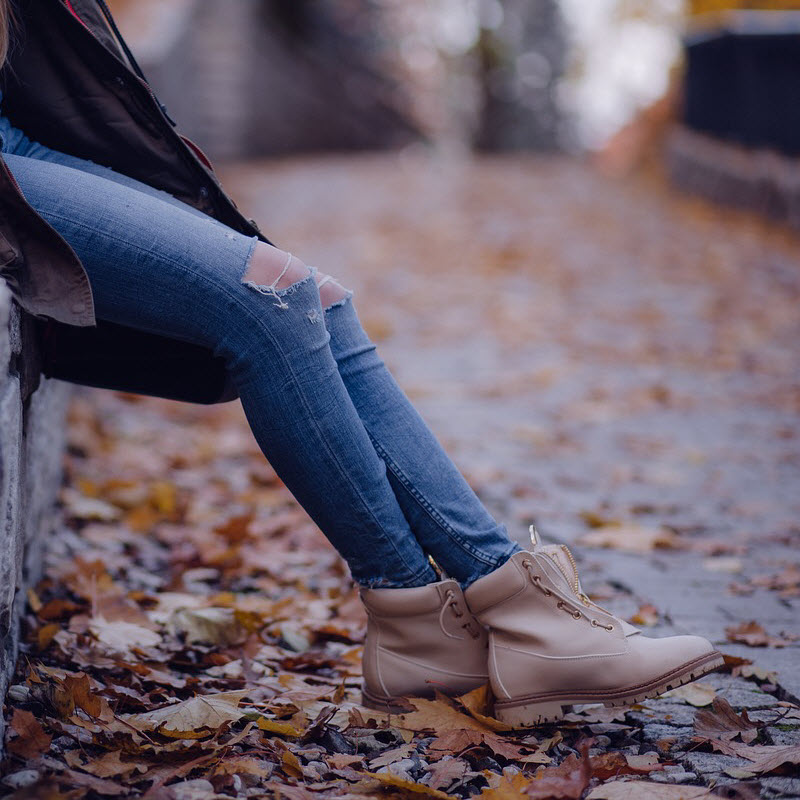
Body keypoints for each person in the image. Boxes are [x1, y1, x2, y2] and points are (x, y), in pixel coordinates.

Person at [0, 0, 722, 728]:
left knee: (319, 298)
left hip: (17, 132)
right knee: (269, 300)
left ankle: (487, 623)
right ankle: (443, 622)